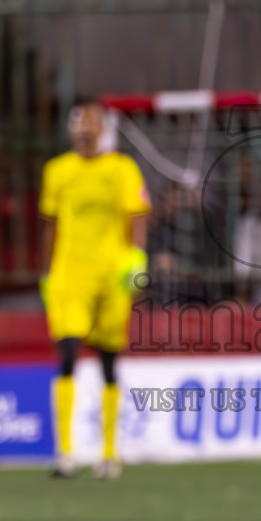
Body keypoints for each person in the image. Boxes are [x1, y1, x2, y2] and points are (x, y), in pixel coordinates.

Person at [40, 103, 150, 479]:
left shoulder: (121, 169)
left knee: (108, 361)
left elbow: (136, 217)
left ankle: (109, 452)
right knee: (68, 353)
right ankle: (65, 452)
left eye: (88, 128)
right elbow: (51, 223)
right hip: (71, 275)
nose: (82, 134)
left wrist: (136, 263)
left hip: (112, 274)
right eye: (77, 129)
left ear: (101, 129)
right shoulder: (57, 171)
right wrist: (47, 272)